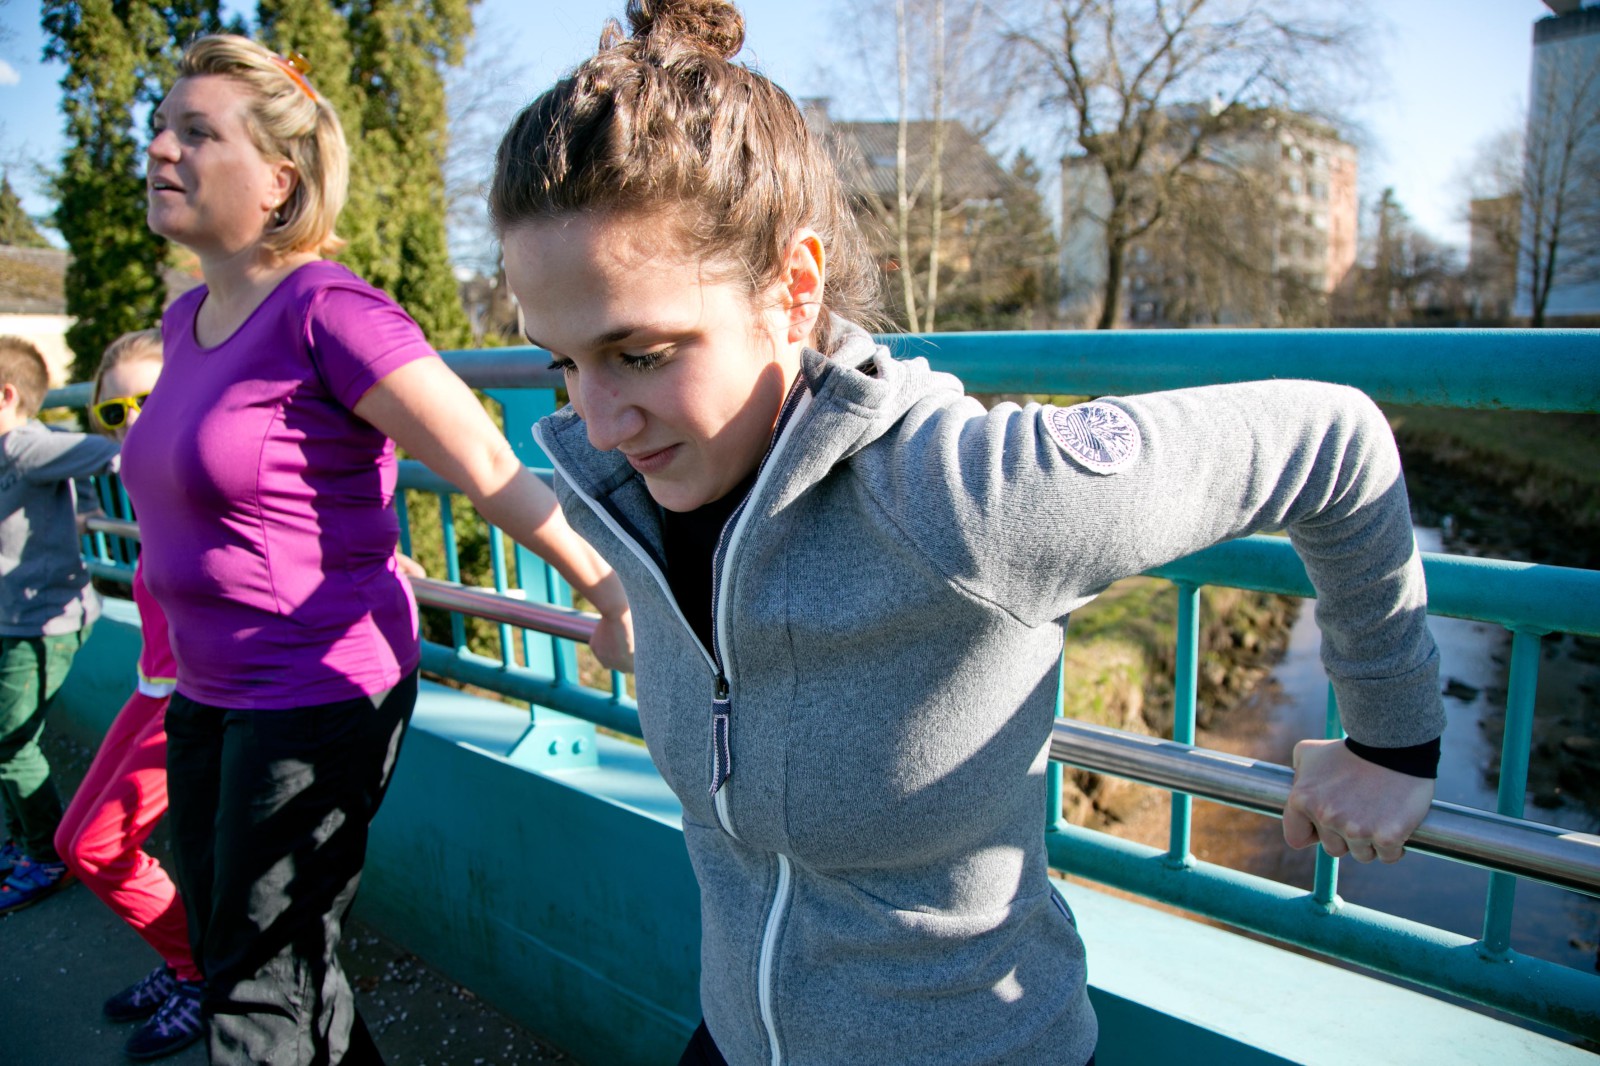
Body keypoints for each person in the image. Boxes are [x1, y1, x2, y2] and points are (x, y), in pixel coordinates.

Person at [487, 3, 1444, 1064]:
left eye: (641, 353)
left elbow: (1334, 441)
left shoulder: (966, 495)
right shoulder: (635, 498)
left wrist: (1389, 736)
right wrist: (647, 606)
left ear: (793, 291)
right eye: (559, 362)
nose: (600, 424)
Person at [118, 34, 633, 1065]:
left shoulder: (328, 308)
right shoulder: (183, 324)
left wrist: (608, 591)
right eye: (159, 129)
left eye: (196, 132)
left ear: (280, 180)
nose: (160, 150)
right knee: (262, 960)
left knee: (257, 992)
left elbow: (484, 458)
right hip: (207, 687)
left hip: (313, 687)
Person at [54, 328, 207, 1061]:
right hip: (152, 689)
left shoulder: (212, 475)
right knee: (68, 843)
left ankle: (204, 974)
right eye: (116, 413)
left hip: (198, 696)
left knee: (98, 847)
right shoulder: (152, 487)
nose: (135, 422)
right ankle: (187, 964)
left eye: (153, 398)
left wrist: (381, 562)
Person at [0, 335, 121, 914]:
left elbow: (110, 451)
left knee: (10, 742)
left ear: (5, 396)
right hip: (15, 618)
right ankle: (26, 843)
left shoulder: (24, 444)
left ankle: (47, 857)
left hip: (43, 623)